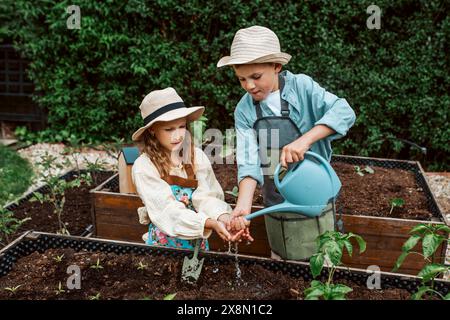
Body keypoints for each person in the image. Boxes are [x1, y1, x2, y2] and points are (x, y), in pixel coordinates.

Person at [217, 26, 356, 260]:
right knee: (282, 260)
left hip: (316, 193)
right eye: (241, 79)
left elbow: (344, 111)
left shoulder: (302, 87)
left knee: (323, 260)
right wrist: (243, 206)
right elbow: (249, 161)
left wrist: (305, 140)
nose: (249, 86)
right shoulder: (244, 110)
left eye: (256, 77)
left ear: (276, 67)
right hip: (275, 198)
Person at [131, 87, 248, 250]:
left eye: (181, 126)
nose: (178, 135)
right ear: (152, 130)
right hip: (163, 248)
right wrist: (208, 223)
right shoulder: (144, 167)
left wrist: (223, 217)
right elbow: (167, 211)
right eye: (169, 129)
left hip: (197, 243)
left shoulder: (196, 156)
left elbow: (206, 196)